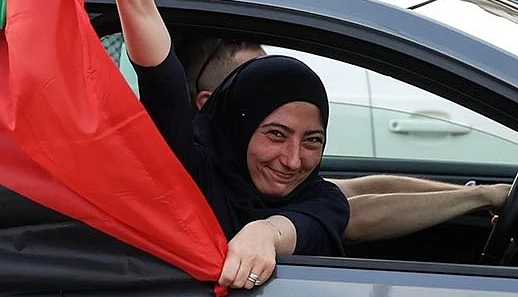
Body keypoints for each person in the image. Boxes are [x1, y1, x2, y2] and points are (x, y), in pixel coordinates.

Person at [84, 0, 349, 291]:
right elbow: (164, 84)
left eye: (312, 141)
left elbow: (309, 224)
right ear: (237, 125)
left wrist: (265, 233)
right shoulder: (191, 169)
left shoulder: (322, 198)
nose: (292, 160)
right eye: (276, 134)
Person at [181, 37, 511, 243]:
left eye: (311, 140)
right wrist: (265, 234)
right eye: (251, 82)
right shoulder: (191, 175)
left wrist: (480, 196)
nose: (293, 159)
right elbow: (352, 218)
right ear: (218, 104)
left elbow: (350, 193)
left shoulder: (291, 187)